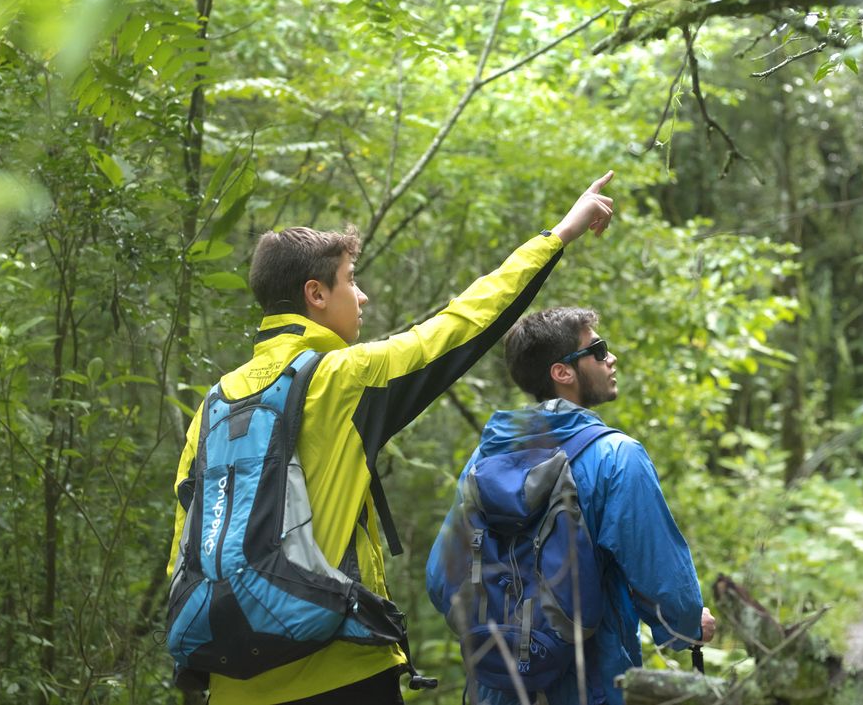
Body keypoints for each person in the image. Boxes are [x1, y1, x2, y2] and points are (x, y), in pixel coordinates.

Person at [166, 172, 616, 705]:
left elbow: (186, 545)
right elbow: (462, 323)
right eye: (350, 279)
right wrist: (560, 233)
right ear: (315, 294)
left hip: (232, 683)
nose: (362, 295)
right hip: (341, 669)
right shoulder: (341, 379)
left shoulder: (214, 403)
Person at [426, 306, 716, 705]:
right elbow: (663, 582)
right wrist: (687, 626)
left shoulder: (484, 458)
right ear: (562, 372)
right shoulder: (616, 456)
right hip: (590, 686)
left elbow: (441, 581)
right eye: (597, 349)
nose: (610, 358)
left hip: (496, 688)